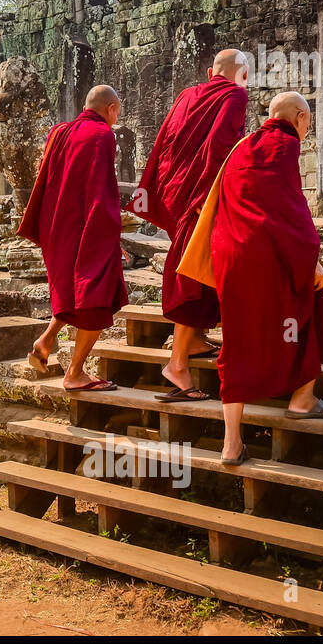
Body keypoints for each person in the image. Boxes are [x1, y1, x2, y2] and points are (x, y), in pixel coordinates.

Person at [209, 91, 323, 465]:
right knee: (316, 306)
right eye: (307, 121)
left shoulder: (243, 147)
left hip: (231, 256)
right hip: (269, 257)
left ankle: (231, 444)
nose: (307, 128)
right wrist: (313, 260)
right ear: (299, 117)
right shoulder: (285, 144)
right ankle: (302, 398)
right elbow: (289, 207)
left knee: (239, 340)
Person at [133, 49, 249, 402]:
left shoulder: (187, 95)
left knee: (200, 264)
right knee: (194, 271)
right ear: (240, 73)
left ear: (211, 70)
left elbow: (164, 139)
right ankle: (177, 363)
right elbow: (220, 144)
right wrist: (211, 195)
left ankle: (195, 340)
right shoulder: (235, 94)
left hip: (176, 188)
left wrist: (162, 188)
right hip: (203, 192)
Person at [18, 85, 128, 391]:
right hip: (86, 228)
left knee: (74, 292)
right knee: (97, 300)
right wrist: (110, 237)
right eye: (117, 111)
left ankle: (46, 339)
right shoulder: (103, 134)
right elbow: (101, 190)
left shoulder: (60, 131)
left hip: (56, 228)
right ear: (110, 109)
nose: (116, 117)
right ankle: (75, 373)